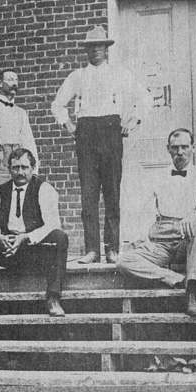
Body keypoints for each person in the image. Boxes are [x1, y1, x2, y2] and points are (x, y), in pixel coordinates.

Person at [51, 25, 150, 264]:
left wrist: (132, 121)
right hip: (86, 135)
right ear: (86, 50)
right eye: (91, 47)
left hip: (111, 132)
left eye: (100, 46)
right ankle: (92, 249)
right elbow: (57, 105)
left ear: (106, 49)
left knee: (112, 194)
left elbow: (144, 98)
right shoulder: (77, 76)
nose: (95, 50)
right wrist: (69, 126)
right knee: (89, 196)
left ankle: (112, 249)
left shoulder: (120, 73)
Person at [0, 148, 69, 318]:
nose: (20, 172)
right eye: (15, 168)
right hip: (5, 250)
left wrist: (25, 237)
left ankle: (53, 298)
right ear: (9, 169)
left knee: (60, 237)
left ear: (33, 168)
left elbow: (53, 224)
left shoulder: (45, 189)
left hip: (33, 251)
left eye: (24, 167)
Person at [116, 129, 196, 317]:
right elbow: (141, 210)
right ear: (168, 149)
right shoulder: (156, 177)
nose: (180, 152)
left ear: (193, 148)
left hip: (188, 237)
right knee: (123, 261)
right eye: (175, 148)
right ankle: (176, 279)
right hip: (161, 240)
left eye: (184, 147)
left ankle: (192, 293)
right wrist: (140, 237)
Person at [0, 68, 38, 188]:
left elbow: (29, 142)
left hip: (19, 161)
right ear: (0, 83)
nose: (14, 83)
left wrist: (34, 170)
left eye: (16, 80)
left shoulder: (21, 113)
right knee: (0, 199)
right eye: (10, 80)